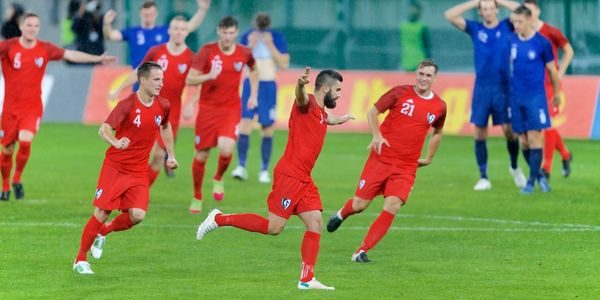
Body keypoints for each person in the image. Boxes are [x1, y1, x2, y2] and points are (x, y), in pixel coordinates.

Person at [196, 67, 353, 290]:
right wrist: (300, 84)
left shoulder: (321, 112)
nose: (339, 94)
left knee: (315, 222)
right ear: (325, 88)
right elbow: (300, 97)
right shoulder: (306, 103)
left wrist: (339, 120)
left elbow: (328, 118)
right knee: (274, 227)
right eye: (337, 90)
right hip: (290, 175)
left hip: (304, 178)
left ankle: (307, 280)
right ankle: (219, 219)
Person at [326, 60, 446, 263]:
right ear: (416, 73)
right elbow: (373, 112)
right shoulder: (399, 93)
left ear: (435, 78)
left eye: (428, 75)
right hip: (381, 158)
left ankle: (361, 251)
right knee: (359, 205)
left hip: (406, 166)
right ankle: (341, 214)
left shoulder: (439, 106)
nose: (423, 79)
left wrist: (429, 158)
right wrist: (377, 135)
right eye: (421, 74)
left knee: (393, 206)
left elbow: (438, 132)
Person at [73, 62, 178, 274]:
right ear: (143, 80)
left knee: (138, 215)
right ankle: (80, 260)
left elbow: (165, 127)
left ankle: (104, 232)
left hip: (138, 170)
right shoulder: (127, 105)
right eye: (156, 79)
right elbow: (103, 130)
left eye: (162, 79)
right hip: (116, 167)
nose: (161, 83)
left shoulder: (163, 105)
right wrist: (115, 142)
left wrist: (171, 155)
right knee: (102, 211)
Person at [0, 13, 116, 201]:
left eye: (36, 25)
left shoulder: (45, 49)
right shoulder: (8, 47)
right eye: (29, 25)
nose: (32, 28)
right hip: (9, 109)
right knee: (6, 150)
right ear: (21, 27)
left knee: (25, 142)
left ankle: (17, 178)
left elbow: (71, 54)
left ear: (38, 28)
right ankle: (4, 186)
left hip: (32, 108)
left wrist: (96, 58)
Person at [445, 0, 525, 191]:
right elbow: (449, 15)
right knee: (480, 132)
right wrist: (474, 2)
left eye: (491, 8)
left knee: (510, 131)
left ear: (497, 10)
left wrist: (500, 0)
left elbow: (524, 10)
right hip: (482, 88)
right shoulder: (475, 29)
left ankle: (514, 167)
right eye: (484, 9)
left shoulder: (508, 25)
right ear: (480, 13)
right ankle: (483, 177)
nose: (488, 12)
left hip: (503, 88)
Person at [108, 16, 195, 185]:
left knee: (158, 156)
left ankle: (140, 191)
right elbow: (139, 71)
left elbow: (199, 81)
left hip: (171, 112)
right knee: (133, 151)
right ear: (169, 31)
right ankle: (124, 186)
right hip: (148, 106)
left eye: (183, 29)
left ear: (187, 32)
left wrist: (192, 102)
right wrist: (119, 89)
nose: (178, 32)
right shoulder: (157, 51)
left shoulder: (191, 57)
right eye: (175, 28)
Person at [184, 16, 258, 213]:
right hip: (208, 109)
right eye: (224, 33)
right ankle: (197, 195)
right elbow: (190, 79)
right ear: (219, 31)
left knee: (226, 149)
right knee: (201, 155)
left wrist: (254, 94)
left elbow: (254, 69)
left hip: (231, 108)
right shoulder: (207, 51)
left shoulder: (244, 52)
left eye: (231, 33)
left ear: (236, 33)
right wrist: (209, 76)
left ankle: (218, 177)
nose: (227, 37)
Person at [504, 5, 561, 194]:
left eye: (520, 21)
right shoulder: (511, 41)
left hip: (535, 97)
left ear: (529, 20)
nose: (516, 25)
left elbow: (552, 70)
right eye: (514, 22)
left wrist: (557, 93)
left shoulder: (542, 43)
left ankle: (530, 182)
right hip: (516, 97)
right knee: (524, 142)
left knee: (536, 138)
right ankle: (539, 177)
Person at [230, 12, 290, 184]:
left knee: (267, 127)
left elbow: (284, 63)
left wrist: (270, 45)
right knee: (245, 123)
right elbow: (237, 61)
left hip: (268, 85)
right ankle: (241, 166)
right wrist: (250, 45)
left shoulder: (276, 37)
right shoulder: (248, 36)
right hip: (251, 84)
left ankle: (264, 170)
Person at [523, 0, 574, 179]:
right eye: (525, 11)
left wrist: (561, 73)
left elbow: (569, 50)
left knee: (547, 125)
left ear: (538, 11)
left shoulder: (550, 31)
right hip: (532, 85)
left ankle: (547, 167)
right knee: (544, 125)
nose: (527, 14)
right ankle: (566, 155)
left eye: (530, 10)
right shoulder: (523, 32)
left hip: (550, 84)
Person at [103, 0, 210, 69]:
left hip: (160, 81)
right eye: (145, 14)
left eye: (151, 14)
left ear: (156, 14)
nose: (148, 17)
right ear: (140, 13)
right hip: (139, 79)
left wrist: (202, 10)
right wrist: (107, 24)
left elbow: (190, 26)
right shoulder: (132, 32)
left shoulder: (165, 30)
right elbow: (110, 35)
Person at [399, 1, 431, 71]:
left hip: (407, 60)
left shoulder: (403, 26)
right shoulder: (422, 26)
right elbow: (427, 46)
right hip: (417, 60)